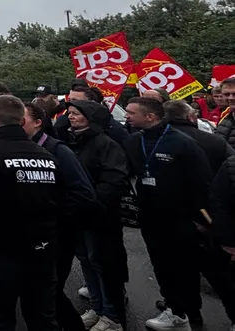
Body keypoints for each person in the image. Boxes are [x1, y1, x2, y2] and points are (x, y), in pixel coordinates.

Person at [124, 97, 221, 331]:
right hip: (150, 218)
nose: (126, 116)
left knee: (186, 268)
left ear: (149, 116)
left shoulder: (182, 143)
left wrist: (201, 219)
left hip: (181, 219)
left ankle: (191, 315)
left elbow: (201, 182)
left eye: (131, 112)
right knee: (161, 266)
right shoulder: (135, 141)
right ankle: (176, 311)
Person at [0, 95, 62, 331]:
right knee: (42, 316)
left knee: (0, 316)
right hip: (42, 248)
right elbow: (61, 200)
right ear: (23, 121)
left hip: (1, 251)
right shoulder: (48, 155)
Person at [24, 102, 99, 331]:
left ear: (38, 123)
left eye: (22, 120)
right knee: (38, 291)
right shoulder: (21, 148)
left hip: (59, 235)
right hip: (36, 235)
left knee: (48, 291)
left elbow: (85, 194)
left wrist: (54, 215)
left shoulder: (58, 150)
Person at [64, 100, 130, 330]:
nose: (70, 117)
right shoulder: (72, 140)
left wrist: (89, 203)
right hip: (77, 216)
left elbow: (114, 180)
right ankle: (97, 307)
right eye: (69, 113)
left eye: (76, 114)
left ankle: (111, 316)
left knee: (102, 264)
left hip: (99, 217)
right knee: (87, 262)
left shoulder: (105, 144)